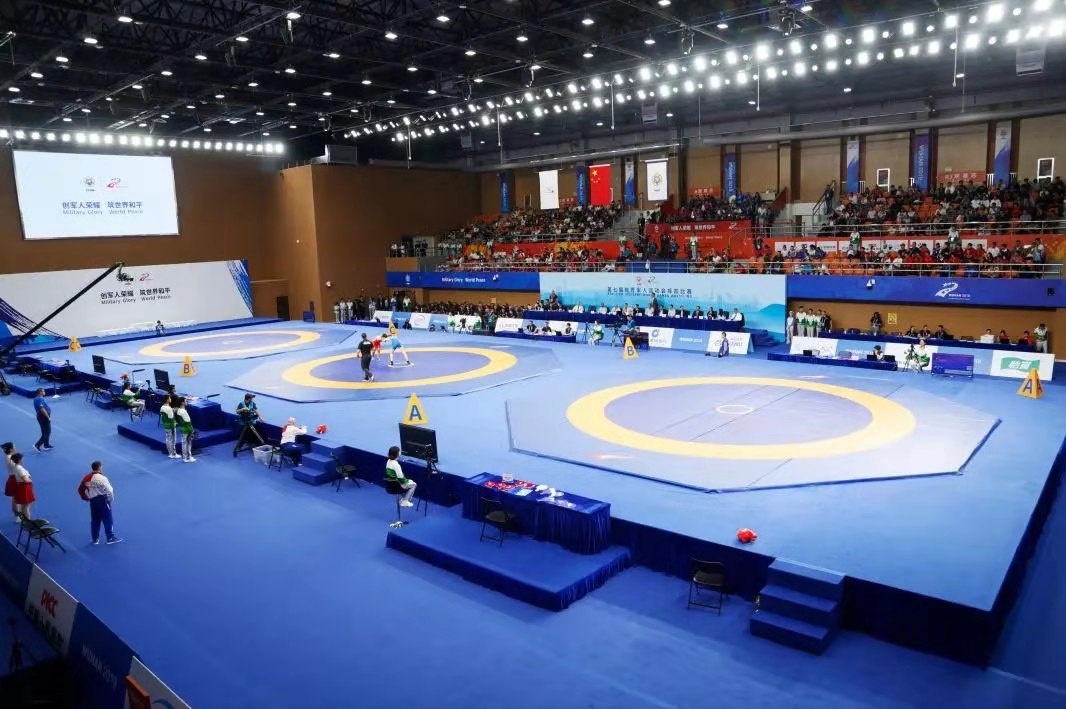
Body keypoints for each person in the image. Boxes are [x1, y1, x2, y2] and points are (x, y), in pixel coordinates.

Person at [80, 461, 120, 545]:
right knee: (107, 518)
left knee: (95, 520)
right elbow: (110, 490)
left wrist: (86, 498)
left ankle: (95, 539)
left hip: (93, 501)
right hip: (103, 500)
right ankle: (110, 538)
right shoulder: (102, 478)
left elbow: (80, 490)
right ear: (100, 467)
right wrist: (110, 499)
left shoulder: (86, 478)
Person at [9, 453, 35, 520]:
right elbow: (25, 479)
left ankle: (24, 520)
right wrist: (30, 480)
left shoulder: (15, 467)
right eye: (22, 458)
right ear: (19, 460)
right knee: (26, 506)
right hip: (24, 488)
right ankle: (27, 521)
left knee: (23, 505)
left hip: (21, 487)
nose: (23, 459)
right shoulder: (19, 468)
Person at [32, 388, 53, 452]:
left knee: (45, 432)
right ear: (40, 392)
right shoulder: (39, 399)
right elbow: (42, 409)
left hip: (42, 417)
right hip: (43, 417)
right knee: (47, 432)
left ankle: (46, 445)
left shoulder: (39, 399)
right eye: (43, 391)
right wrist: (48, 417)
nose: (44, 392)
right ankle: (37, 445)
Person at [176, 398, 196, 462]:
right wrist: (192, 430)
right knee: (188, 443)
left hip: (183, 428)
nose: (186, 402)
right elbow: (188, 422)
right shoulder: (184, 411)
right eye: (185, 401)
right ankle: (189, 457)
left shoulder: (179, 410)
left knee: (184, 443)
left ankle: (185, 457)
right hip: (187, 429)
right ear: (182, 403)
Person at [159, 395, 179, 459]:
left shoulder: (162, 407)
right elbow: (171, 418)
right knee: (173, 440)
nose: (171, 399)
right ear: (167, 400)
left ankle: (170, 453)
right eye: (170, 398)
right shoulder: (169, 408)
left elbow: (165, 416)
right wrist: (175, 423)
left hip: (165, 425)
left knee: (168, 439)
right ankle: (174, 454)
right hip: (171, 426)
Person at [3, 442, 18, 521]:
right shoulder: (10, 459)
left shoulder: (9, 457)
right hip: (14, 479)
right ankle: (17, 515)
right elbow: (17, 469)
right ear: (11, 449)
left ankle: (16, 514)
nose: (15, 447)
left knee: (15, 498)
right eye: (14, 446)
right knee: (16, 498)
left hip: (13, 478)